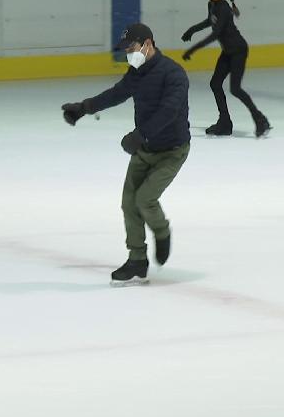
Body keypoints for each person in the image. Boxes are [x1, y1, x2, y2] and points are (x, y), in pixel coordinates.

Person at [61, 24, 192, 286]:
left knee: (145, 199)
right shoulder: (137, 72)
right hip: (145, 149)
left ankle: (162, 232)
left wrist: (140, 135)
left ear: (148, 44)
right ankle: (137, 260)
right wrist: (83, 108)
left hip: (171, 151)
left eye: (132, 48)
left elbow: (169, 112)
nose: (129, 54)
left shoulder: (173, 74)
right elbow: (117, 93)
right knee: (129, 202)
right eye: (126, 50)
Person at [181, 0, 271, 138]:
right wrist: (192, 29)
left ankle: (260, 119)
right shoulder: (212, 4)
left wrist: (193, 49)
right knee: (215, 83)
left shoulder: (224, 9)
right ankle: (225, 122)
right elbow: (210, 21)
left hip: (238, 50)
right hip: (228, 51)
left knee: (235, 89)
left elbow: (215, 34)